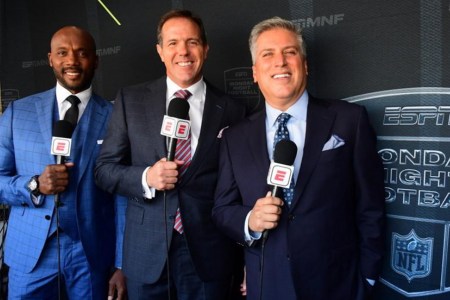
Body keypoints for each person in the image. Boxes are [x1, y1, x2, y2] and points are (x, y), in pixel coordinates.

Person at [212, 16, 385, 300]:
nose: (279, 62)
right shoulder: (234, 137)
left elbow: (371, 207)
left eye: (289, 52)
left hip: (337, 283)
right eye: (268, 54)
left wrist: (367, 276)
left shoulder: (348, 121)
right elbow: (222, 209)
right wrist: (250, 220)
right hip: (267, 284)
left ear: (304, 65)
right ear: (255, 72)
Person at [94, 9, 246, 300]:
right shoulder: (130, 100)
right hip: (145, 254)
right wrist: (146, 177)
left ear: (205, 49)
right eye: (173, 43)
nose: (183, 52)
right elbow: (104, 170)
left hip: (209, 254)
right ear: (160, 51)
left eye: (192, 42)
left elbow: (241, 185)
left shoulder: (233, 109)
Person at [0, 26, 126, 299]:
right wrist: (34, 184)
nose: (71, 60)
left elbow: (123, 197)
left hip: (91, 254)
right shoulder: (17, 113)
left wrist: (120, 263)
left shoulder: (117, 116)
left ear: (96, 60)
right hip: (31, 253)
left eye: (82, 53)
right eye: (62, 53)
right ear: (50, 59)